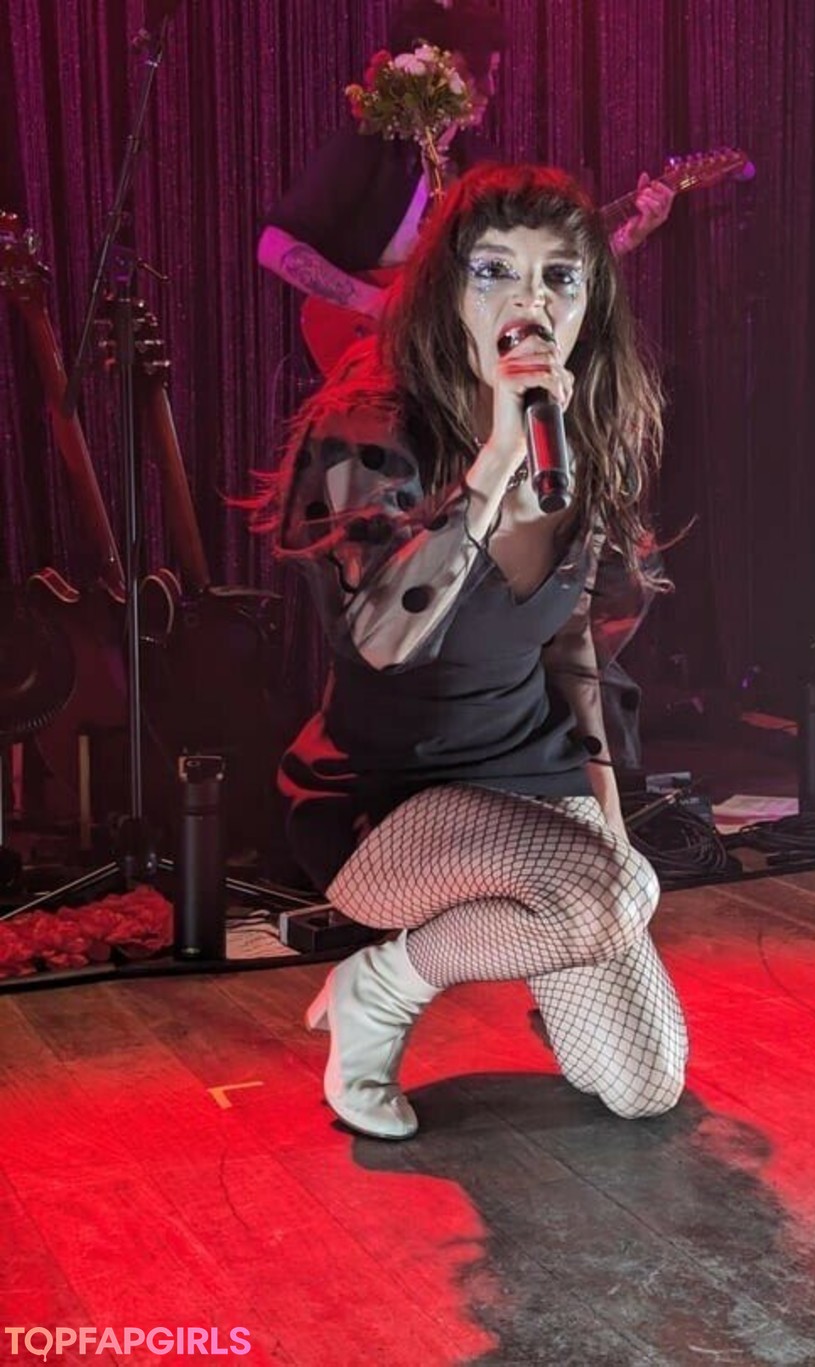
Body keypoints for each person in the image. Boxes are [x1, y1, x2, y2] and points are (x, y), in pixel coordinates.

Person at [250, 162, 688, 1140]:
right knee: (615, 893)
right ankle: (378, 989)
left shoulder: (581, 435)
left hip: (530, 781)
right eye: (497, 272)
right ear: (449, 290)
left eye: (559, 277)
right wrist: (490, 468)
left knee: (643, 1083)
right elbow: (382, 636)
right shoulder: (367, 424)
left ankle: (561, 912)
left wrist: (608, 832)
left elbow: (573, 651)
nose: (530, 303)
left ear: (590, 302)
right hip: (387, 798)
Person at [257, 0, 674, 352]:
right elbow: (274, 245)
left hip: (444, 358)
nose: (490, 89)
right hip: (366, 352)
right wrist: (374, 303)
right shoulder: (372, 145)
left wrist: (624, 237)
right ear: (433, 68)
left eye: (493, 73)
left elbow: (528, 264)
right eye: (475, 72)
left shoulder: (481, 165)